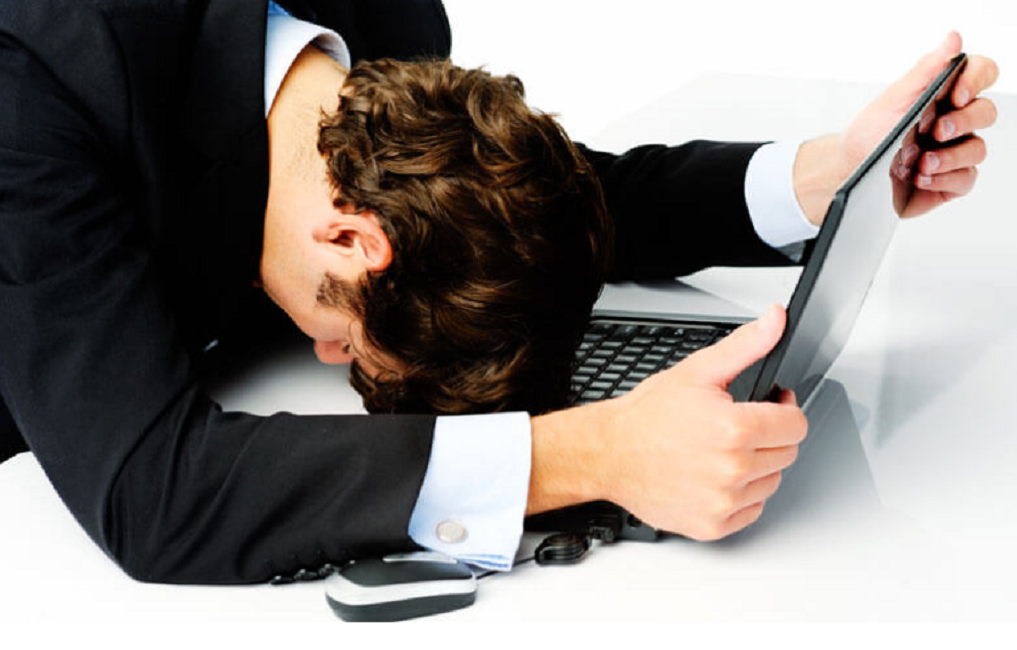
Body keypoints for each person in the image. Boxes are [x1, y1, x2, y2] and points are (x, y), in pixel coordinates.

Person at [0, 0, 998, 585]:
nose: (324, 354)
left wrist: (826, 175)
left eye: (345, 341)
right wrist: (597, 449)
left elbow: (518, 204)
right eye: (350, 337)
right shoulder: (36, 83)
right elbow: (154, 489)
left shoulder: (388, 20)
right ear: (348, 236)